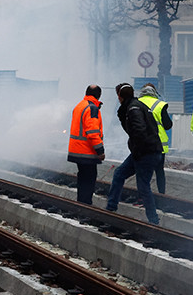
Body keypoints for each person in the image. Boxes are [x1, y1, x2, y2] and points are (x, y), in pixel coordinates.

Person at [107, 83, 163, 222]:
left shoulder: (133, 109)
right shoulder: (135, 106)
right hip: (146, 150)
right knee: (119, 174)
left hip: (145, 152)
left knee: (143, 186)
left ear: (120, 96)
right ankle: (111, 208)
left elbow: (139, 131)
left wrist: (137, 150)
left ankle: (153, 220)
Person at [66, 86, 106, 205]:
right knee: (89, 179)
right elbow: (92, 132)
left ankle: (81, 204)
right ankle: (86, 205)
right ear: (98, 95)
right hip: (86, 151)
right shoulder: (92, 108)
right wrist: (100, 150)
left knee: (82, 178)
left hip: (77, 149)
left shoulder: (80, 105)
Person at [137, 82, 173, 194]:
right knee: (159, 172)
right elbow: (168, 125)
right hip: (159, 144)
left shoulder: (136, 103)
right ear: (154, 92)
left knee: (142, 172)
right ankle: (162, 194)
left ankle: (142, 196)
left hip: (141, 144)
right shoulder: (160, 104)